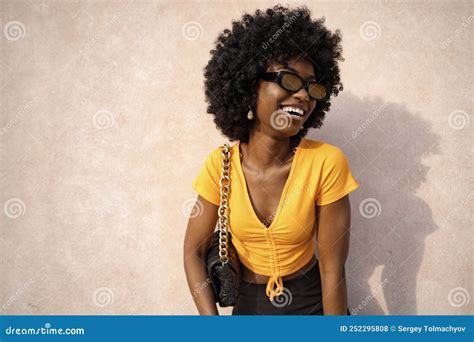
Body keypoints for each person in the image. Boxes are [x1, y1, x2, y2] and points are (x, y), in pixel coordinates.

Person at [184, 4, 359, 315]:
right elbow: (193, 252)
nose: (304, 96)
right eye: (289, 80)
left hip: (314, 305)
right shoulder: (219, 165)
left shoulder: (326, 163)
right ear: (250, 85)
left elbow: (333, 271)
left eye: (312, 87)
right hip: (249, 308)